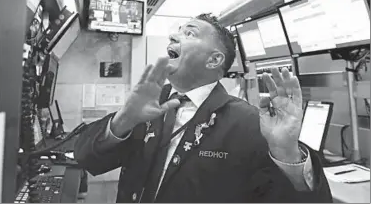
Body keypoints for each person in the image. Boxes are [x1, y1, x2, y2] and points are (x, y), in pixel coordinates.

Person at [74, 13, 332, 203]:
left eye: (190, 33)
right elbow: (86, 158)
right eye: (177, 31)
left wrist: (286, 152)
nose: (174, 35)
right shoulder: (146, 104)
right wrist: (123, 120)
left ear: (215, 59)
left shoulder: (250, 124)